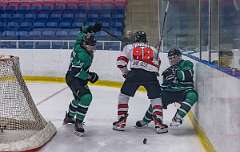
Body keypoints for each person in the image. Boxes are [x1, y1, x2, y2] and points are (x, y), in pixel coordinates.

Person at [113, 31, 168, 134]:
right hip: (151, 76)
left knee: (124, 96)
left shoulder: (129, 47)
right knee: (156, 98)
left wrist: (126, 73)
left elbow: (121, 62)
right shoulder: (153, 49)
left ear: (135, 39)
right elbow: (158, 64)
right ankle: (159, 124)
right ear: (146, 40)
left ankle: (121, 122)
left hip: (135, 74)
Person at [136, 48, 198, 128]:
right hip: (170, 91)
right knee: (157, 100)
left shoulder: (186, 63)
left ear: (180, 56)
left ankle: (177, 118)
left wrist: (175, 73)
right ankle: (145, 120)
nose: (172, 60)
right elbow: (164, 86)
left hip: (185, 90)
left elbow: (187, 75)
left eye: (174, 57)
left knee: (193, 96)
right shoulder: (167, 71)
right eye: (170, 58)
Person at [63, 23, 102, 136]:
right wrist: (90, 76)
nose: (93, 48)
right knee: (86, 97)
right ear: (85, 45)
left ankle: (69, 117)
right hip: (74, 77)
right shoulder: (82, 55)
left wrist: (91, 30)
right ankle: (78, 123)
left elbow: (81, 34)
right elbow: (77, 72)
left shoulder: (79, 44)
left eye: (94, 45)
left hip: (74, 76)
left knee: (78, 99)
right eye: (91, 45)